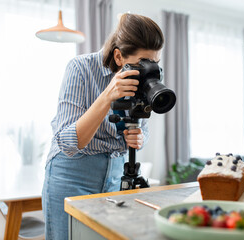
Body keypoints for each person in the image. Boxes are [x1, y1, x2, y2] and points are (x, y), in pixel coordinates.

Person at [42, 13, 164, 240]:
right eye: (143, 63)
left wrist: (140, 137)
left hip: (117, 176)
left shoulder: (145, 79)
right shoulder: (80, 68)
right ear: (119, 57)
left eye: (154, 63)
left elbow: (142, 126)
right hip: (72, 175)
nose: (149, 69)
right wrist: (107, 95)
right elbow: (68, 143)